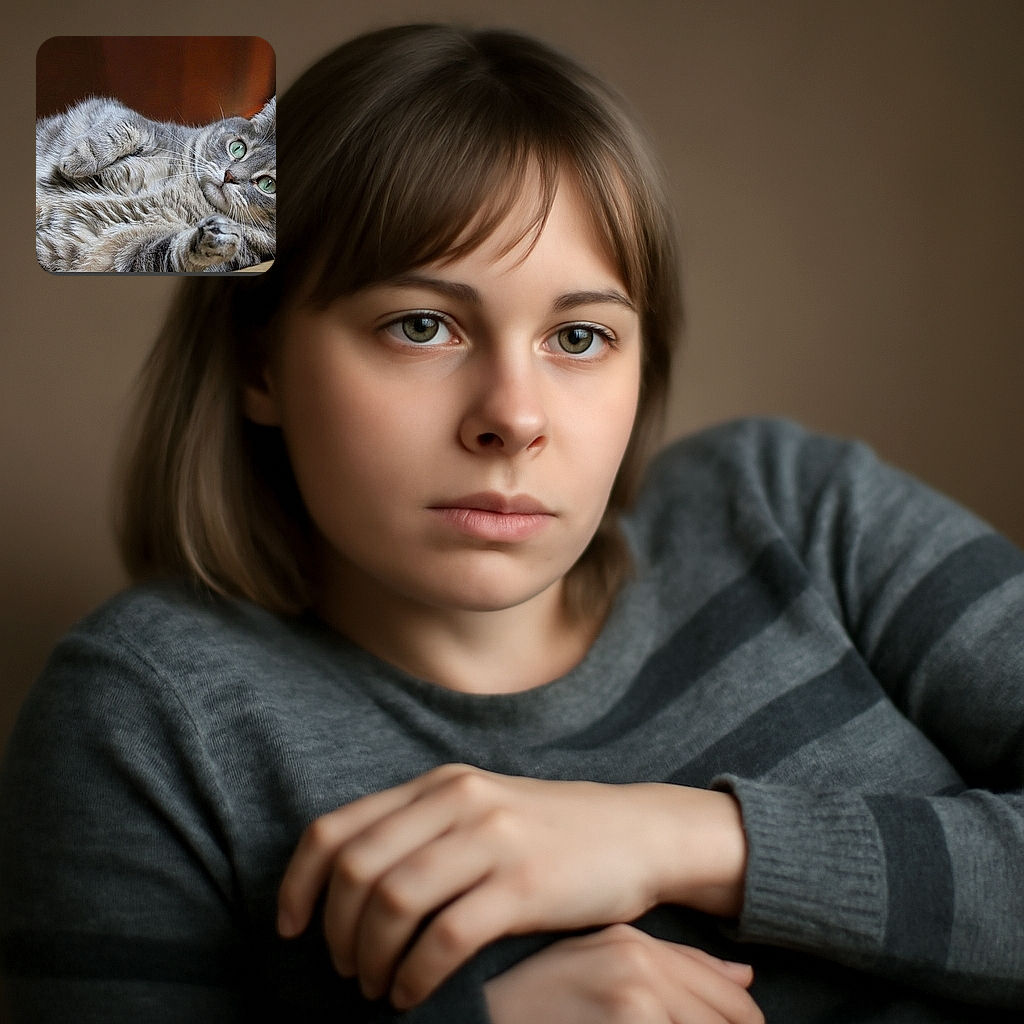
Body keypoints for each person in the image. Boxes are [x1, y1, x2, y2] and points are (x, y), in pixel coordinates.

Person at [1, 23, 1022, 1024]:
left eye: (579, 335)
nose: (516, 417)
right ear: (258, 363)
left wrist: (686, 838)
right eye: (421, 324)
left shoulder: (793, 504)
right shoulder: (149, 716)